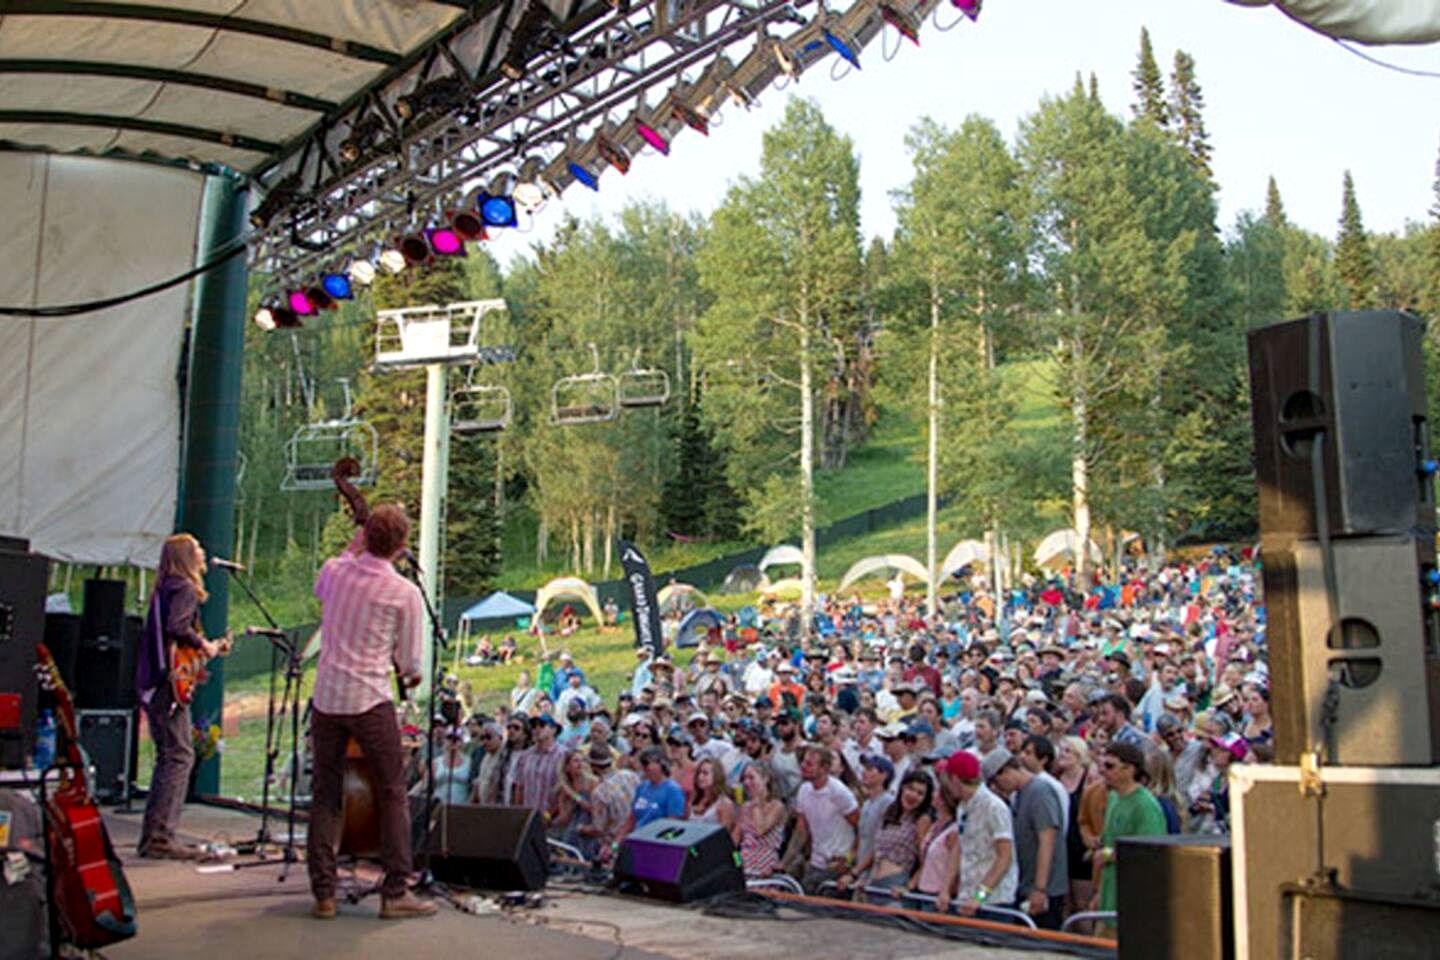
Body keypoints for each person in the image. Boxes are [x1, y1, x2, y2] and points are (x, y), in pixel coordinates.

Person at [307, 505, 436, 920]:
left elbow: (327, 581)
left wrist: (355, 543)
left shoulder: (334, 571)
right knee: (392, 792)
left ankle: (324, 894)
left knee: (325, 796)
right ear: (401, 547)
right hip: (369, 697)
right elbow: (411, 664)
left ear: (364, 536)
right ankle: (396, 891)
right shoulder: (404, 593)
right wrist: (409, 674)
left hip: (326, 698)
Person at [136, 533, 227, 860]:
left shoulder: (165, 588)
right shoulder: (186, 589)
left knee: (168, 756)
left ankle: (153, 834)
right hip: (169, 683)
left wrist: (203, 652)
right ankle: (161, 836)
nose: (204, 554)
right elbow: (178, 627)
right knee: (179, 756)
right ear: (188, 557)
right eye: (199, 550)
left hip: (157, 679)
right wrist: (205, 645)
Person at [1091, 741, 1169, 918]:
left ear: (1130, 769)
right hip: (1109, 897)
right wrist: (1099, 893)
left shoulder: (1145, 806)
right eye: (1102, 764)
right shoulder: (1113, 798)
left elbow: (1151, 853)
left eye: (1110, 766)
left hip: (1135, 902)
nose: (1103, 770)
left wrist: (1109, 855)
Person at [992, 752, 1068, 929]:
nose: (998, 787)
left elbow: (1047, 841)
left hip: (1044, 889)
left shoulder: (1040, 792)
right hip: (1025, 884)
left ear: (1007, 771)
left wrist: (1040, 888)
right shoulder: (1019, 795)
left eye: (997, 781)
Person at [843, 770, 932, 900]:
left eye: (920, 793)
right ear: (902, 788)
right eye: (910, 789)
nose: (913, 795)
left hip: (895, 883)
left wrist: (908, 887)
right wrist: (853, 874)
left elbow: (925, 860)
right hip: (872, 882)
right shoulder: (890, 811)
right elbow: (875, 850)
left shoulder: (921, 820)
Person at [791, 744, 860, 893]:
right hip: (815, 863)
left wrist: (849, 860)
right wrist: (786, 862)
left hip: (837, 865)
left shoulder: (839, 793)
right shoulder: (804, 790)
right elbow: (801, 830)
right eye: (803, 761)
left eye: (809, 764)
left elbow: (860, 827)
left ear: (824, 768)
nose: (803, 766)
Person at [735, 762, 787, 878]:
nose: (746, 782)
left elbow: (760, 829)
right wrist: (737, 863)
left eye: (751, 778)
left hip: (765, 864)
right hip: (745, 861)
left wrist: (756, 803)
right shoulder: (745, 807)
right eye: (744, 779)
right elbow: (734, 842)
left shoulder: (776, 806)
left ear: (765, 779)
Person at [688, 757, 737, 833]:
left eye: (705, 773)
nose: (700, 777)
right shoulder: (695, 798)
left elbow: (725, 835)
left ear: (716, 775)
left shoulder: (724, 803)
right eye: (699, 773)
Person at [431, 727, 472, 804]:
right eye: (449, 738)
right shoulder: (435, 762)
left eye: (456, 739)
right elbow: (428, 786)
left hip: (462, 807)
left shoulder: (469, 762)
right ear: (445, 740)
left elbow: (474, 787)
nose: (453, 741)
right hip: (439, 807)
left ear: (462, 742)